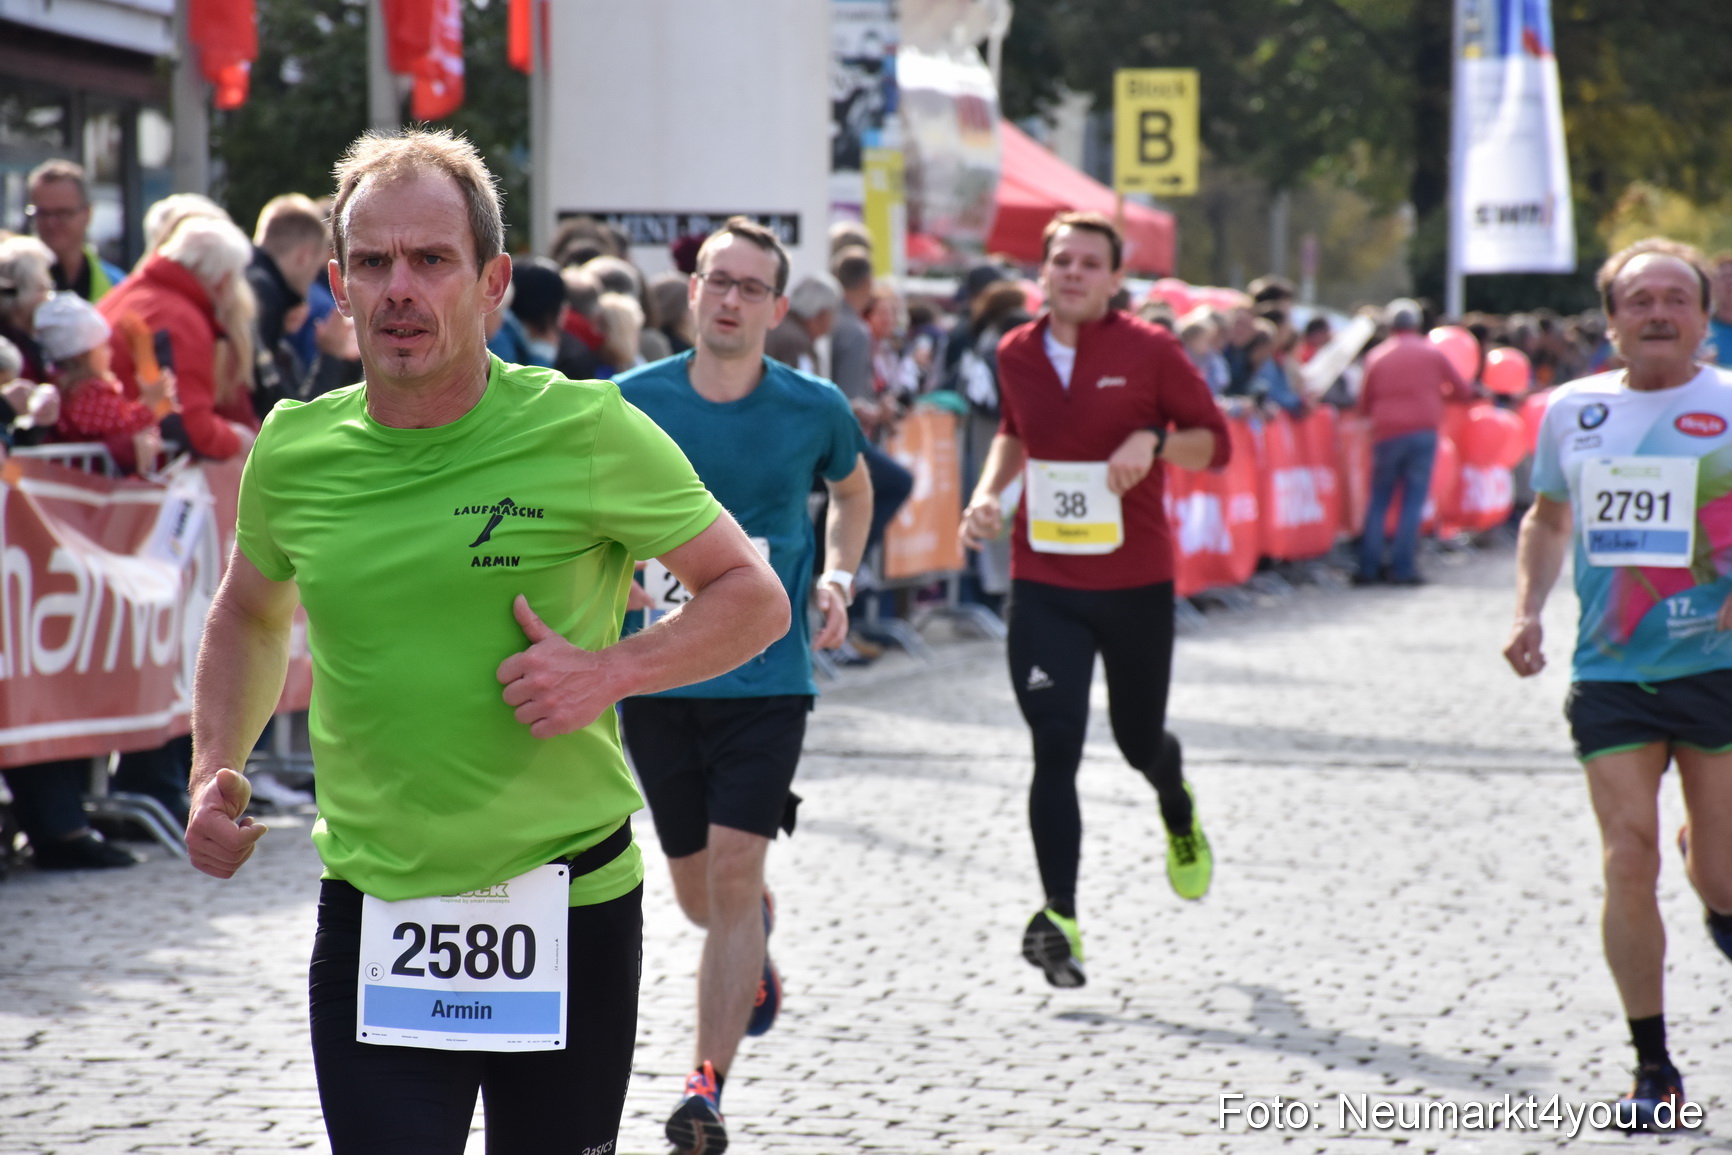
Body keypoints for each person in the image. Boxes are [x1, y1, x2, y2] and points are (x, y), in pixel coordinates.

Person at [184, 128, 788, 1155]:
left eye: (431, 260)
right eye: (372, 263)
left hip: (566, 904)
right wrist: (214, 770)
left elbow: (752, 594)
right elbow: (248, 609)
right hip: (378, 908)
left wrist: (611, 671)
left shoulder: (586, 431)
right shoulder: (296, 447)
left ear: (493, 280)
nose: (399, 290)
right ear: (337, 283)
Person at [616, 216, 872, 1155]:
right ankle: (751, 932)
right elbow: (581, 509)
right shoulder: (626, 402)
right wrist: (611, 569)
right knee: (700, 896)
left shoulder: (815, 407)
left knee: (732, 869)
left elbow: (852, 490)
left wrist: (839, 577)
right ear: (691, 291)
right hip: (657, 676)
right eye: (715, 281)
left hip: (769, 679)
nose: (729, 299)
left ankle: (704, 1086)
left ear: (776, 304)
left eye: (749, 287)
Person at [958, 211, 1230, 989]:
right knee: (1055, 740)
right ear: (1040, 272)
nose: (1073, 272)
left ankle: (1173, 801)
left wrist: (1154, 442)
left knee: (1139, 738)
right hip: (1045, 584)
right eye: (1060, 261)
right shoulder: (1015, 350)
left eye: (1089, 263)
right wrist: (988, 494)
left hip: (1135, 583)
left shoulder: (1151, 351)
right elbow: (1015, 432)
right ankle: (1061, 916)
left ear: (1115, 279)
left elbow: (1215, 442)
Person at [1504, 237, 1732, 1131]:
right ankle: (1653, 1067)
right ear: (1611, 322)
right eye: (1639, 300)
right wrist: (1528, 609)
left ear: (1704, 318)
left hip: (1716, 667)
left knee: (1721, 878)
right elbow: (1547, 517)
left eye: (1676, 297)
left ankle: (1706, 861)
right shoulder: (1571, 410)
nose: (1658, 313)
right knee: (1623, 857)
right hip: (1612, 670)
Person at [100, 216, 260, 462]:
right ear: (224, 281)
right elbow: (188, 423)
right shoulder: (180, 320)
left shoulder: (128, 294)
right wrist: (239, 440)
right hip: (131, 471)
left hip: (104, 459)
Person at [1352, 298, 1470, 585]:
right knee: (1412, 501)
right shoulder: (1432, 353)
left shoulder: (1377, 356)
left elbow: (1364, 401)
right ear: (1416, 324)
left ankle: (1368, 566)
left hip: (1386, 433)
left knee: (1379, 500)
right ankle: (1403, 568)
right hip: (1422, 432)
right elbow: (1463, 390)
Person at [37, 292, 174, 474]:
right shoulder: (89, 393)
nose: (110, 353)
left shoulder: (64, 388)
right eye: (103, 347)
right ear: (82, 356)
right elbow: (121, 426)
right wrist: (150, 403)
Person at [27, 159, 126, 303]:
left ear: (88, 213)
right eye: (42, 213)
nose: (51, 222)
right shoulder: (12, 283)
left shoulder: (117, 286)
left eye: (63, 213)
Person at [765, 273, 840, 375]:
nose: (834, 319)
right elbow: (802, 387)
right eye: (833, 312)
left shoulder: (781, 327)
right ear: (822, 314)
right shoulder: (794, 342)